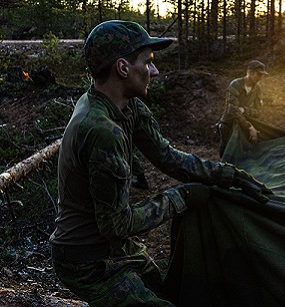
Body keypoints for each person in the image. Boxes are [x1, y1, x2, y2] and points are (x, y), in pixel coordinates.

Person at [49, 20, 271, 307]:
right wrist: (182, 197)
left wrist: (228, 175)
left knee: (170, 292)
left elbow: (168, 157)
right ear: (123, 68)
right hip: (86, 261)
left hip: (115, 249)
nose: (155, 71)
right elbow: (116, 224)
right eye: (148, 62)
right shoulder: (102, 129)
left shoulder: (128, 107)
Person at [217, 60, 268, 157]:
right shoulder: (235, 84)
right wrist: (249, 127)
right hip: (229, 123)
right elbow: (232, 110)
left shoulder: (258, 88)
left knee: (241, 153)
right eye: (258, 74)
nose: (260, 78)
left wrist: (245, 109)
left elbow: (259, 112)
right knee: (226, 151)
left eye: (262, 75)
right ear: (250, 72)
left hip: (243, 123)